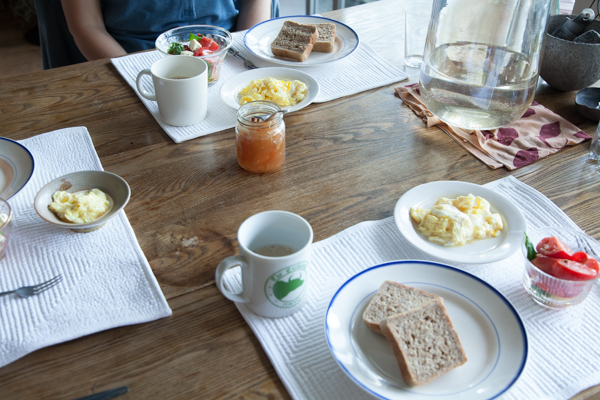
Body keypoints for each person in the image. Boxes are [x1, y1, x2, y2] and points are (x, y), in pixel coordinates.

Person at [59, 0, 276, 61]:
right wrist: (133, 70)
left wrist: (244, 53)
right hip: (132, 56)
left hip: (227, 52)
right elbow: (86, 26)